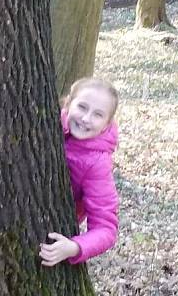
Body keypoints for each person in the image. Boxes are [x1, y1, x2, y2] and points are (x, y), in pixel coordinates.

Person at [39, 77, 119, 267]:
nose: (85, 118)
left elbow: (106, 228)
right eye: (82, 107)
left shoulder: (97, 163)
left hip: (51, 228)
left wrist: (75, 247)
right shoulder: (50, 123)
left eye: (98, 115)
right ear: (68, 104)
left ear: (107, 124)